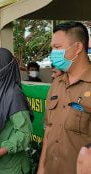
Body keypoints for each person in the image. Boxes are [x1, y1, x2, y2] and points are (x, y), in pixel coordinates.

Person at [37, 21, 91, 174]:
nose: (53, 53)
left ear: (78, 48)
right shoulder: (56, 84)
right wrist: (42, 168)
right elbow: (49, 129)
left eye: (57, 47)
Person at [0, 48, 33, 174]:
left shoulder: (13, 94)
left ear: (4, 67)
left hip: (9, 165)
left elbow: (24, 133)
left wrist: (2, 150)